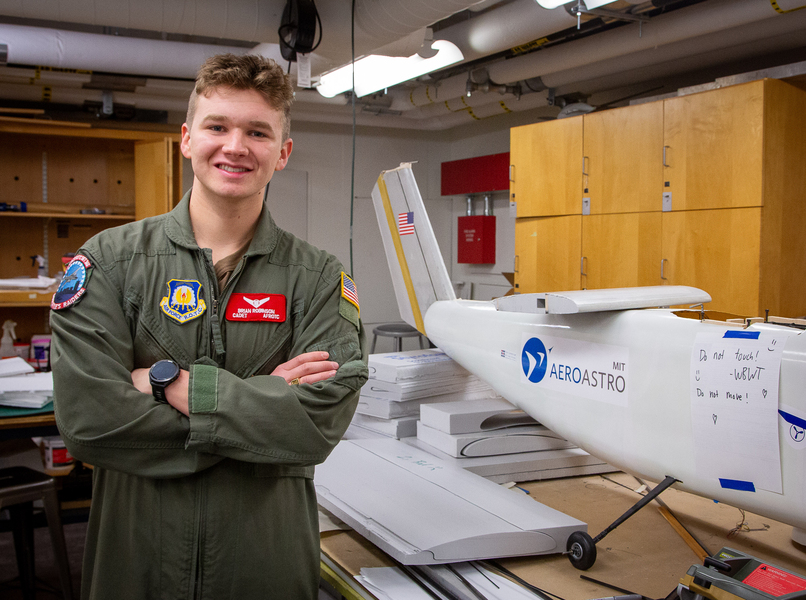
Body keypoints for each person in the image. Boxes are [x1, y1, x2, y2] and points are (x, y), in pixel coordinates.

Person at [50, 53, 368, 599]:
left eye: (257, 132)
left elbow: (315, 425)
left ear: (282, 152)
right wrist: (263, 405)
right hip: (136, 567)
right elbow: (88, 420)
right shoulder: (109, 261)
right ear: (187, 139)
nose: (235, 146)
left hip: (264, 569)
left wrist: (166, 383)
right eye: (217, 126)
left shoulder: (317, 278)